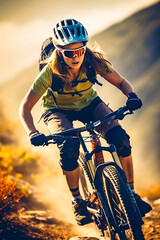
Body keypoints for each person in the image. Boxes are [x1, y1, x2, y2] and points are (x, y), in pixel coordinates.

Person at [19, 18, 152, 226]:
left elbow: (121, 81)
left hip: (89, 103)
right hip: (57, 109)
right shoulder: (49, 72)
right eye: (69, 53)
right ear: (59, 50)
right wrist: (32, 132)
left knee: (121, 140)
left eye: (80, 50)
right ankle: (78, 202)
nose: (76, 57)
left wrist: (131, 96)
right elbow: (25, 107)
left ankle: (131, 194)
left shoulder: (93, 61)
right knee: (69, 147)